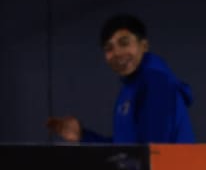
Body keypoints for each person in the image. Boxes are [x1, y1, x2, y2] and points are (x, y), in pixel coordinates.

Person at [46, 14, 196, 144]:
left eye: (124, 43)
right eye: (109, 48)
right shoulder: (131, 87)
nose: (116, 53)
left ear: (144, 45)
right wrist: (83, 136)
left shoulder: (156, 82)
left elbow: (152, 155)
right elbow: (125, 149)